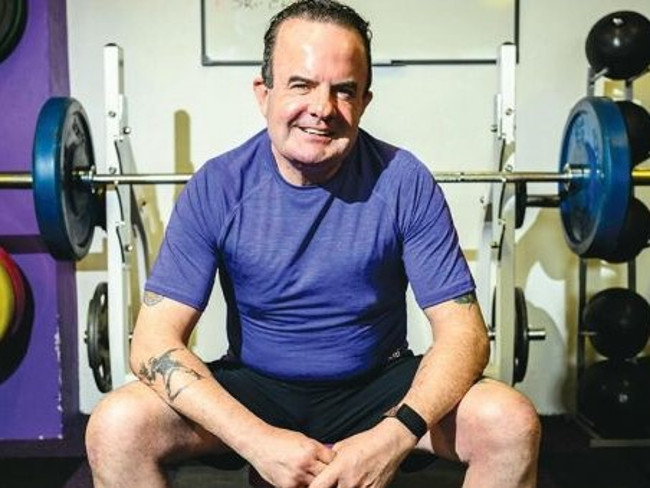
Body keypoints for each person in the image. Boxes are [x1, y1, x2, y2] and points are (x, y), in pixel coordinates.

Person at [85, 1, 541, 487]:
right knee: (118, 426)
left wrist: (392, 435)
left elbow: (465, 337)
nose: (322, 109)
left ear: (365, 101)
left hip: (377, 389)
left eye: (344, 90)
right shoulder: (218, 186)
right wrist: (256, 440)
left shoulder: (404, 181)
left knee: (508, 422)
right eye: (301, 85)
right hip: (257, 391)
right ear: (264, 93)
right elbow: (153, 342)